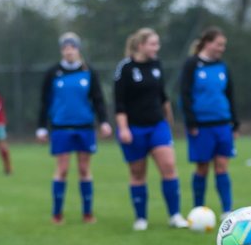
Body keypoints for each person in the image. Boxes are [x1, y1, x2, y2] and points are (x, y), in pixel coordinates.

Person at [114, 27, 187, 230]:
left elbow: (163, 97)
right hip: (134, 128)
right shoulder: (125, 68)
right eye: (153, 44)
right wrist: (124, 129)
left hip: (157, 126)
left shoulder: (156, 65)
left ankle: (175, 215)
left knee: (169, 167)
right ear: (141, 45)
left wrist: (169, 122)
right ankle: (141, 218)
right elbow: (119, 103)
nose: (157, 47)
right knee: (138, 173)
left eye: (157, 43)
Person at [37, 32, 112, 224]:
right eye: (65, 47)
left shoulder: (89, 71)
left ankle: (87, 213)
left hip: (85, 127)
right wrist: (41, 127)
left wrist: (103, 121)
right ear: (61, 50)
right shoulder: (53, 72)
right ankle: (57, 214)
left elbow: (98, 99)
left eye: (73, 47)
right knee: (62, 169)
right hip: (61, 127)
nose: (69, 50)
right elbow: (45, 102)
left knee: (84, 168)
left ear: (78, 49)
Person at [179, 27, 239, 215]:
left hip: (222, 124)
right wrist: (191, 122)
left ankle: (227, 210)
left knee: (222, 166)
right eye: (219, 44)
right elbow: (185, 95)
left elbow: (230, 95)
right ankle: (198, 209)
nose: (222, 48)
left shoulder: (223, 66)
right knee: (202, 168)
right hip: (201, 126)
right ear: (207, 43)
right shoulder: (192, 65)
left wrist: (235, 122)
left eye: (224, 45)